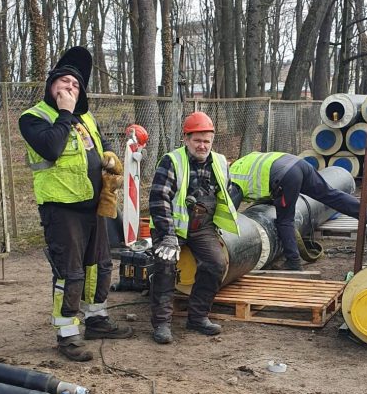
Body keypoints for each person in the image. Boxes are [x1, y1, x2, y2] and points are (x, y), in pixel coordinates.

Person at [19, 46, 132, 361]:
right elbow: (51, 148)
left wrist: (109, 155)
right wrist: (65, 112)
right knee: (69, 273)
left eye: (75, 85)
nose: (70, 88)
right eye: (64, 82)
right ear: (51, 85)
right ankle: (67, 335)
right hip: (62, 208)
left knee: (99, 265)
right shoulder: (34, 118)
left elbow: (100, 141)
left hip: (95, 205)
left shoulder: (86, 117)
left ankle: (97, 319)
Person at [149, 112, 239, 344]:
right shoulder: (172, 161)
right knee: (166, 265)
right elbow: (159, 199)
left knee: (216, 264)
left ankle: (198, 317)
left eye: (207, 141)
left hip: (201, 227)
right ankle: (161, 323)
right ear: (186, 139)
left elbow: (226, 193)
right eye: (197, 140)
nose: (202, 146)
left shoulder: (220, 162)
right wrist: (168, 236)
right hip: (170, 227)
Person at [228, 151, 360, 270]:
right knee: (328, 195)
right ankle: (365, 214)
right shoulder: (244, 161)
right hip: (299, 164)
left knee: (284, 220)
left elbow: (230, 210)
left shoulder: (232, 177)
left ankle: (293, 262)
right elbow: (264, 176)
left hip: (285, 176)